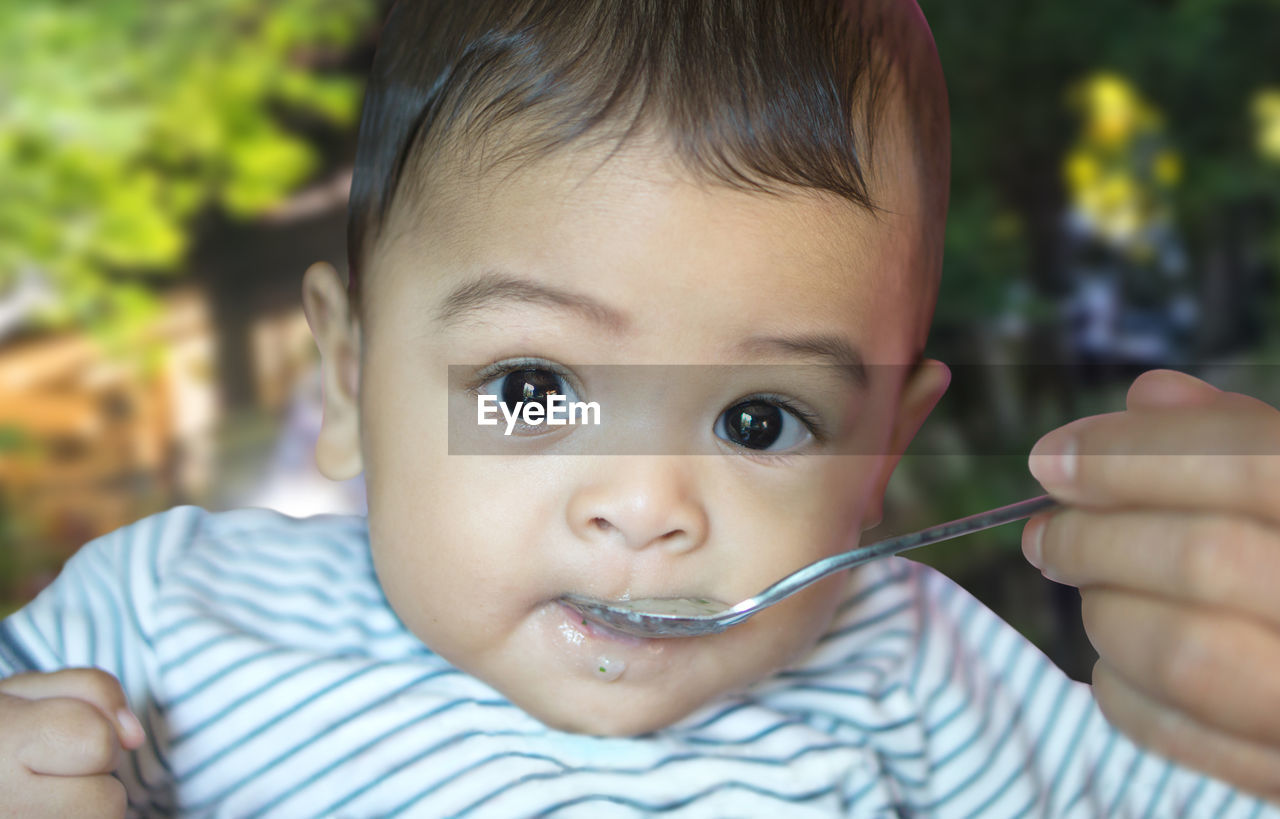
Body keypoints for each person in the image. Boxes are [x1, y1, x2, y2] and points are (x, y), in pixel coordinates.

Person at [1, 1, 1277, 815]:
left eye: (759, 421)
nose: (647, 506)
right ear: (346, 376)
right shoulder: (170, 618)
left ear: (879, 447)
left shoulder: (913, 669)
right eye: (531, 388)